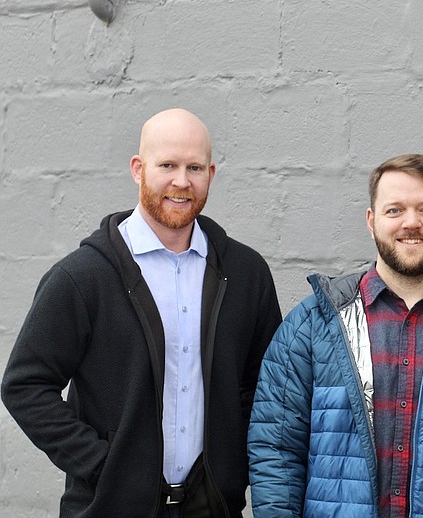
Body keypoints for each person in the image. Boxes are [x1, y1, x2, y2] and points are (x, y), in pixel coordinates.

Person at [1, 108, 282, 518]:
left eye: (195, 167)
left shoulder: (245, 273)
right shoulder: (83, 276)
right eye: (167, 165)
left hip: (212, 506)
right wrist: (103, 466)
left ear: (212, 173)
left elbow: (266, 387)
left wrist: (231, 465)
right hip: (111, 508)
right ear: (138, 168)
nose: (181, 181)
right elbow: (24, 385)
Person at [247, 154, 423, 517]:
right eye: (395, 210)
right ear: (371, 220)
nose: (412, 223)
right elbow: (275, 448)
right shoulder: (315, 323)